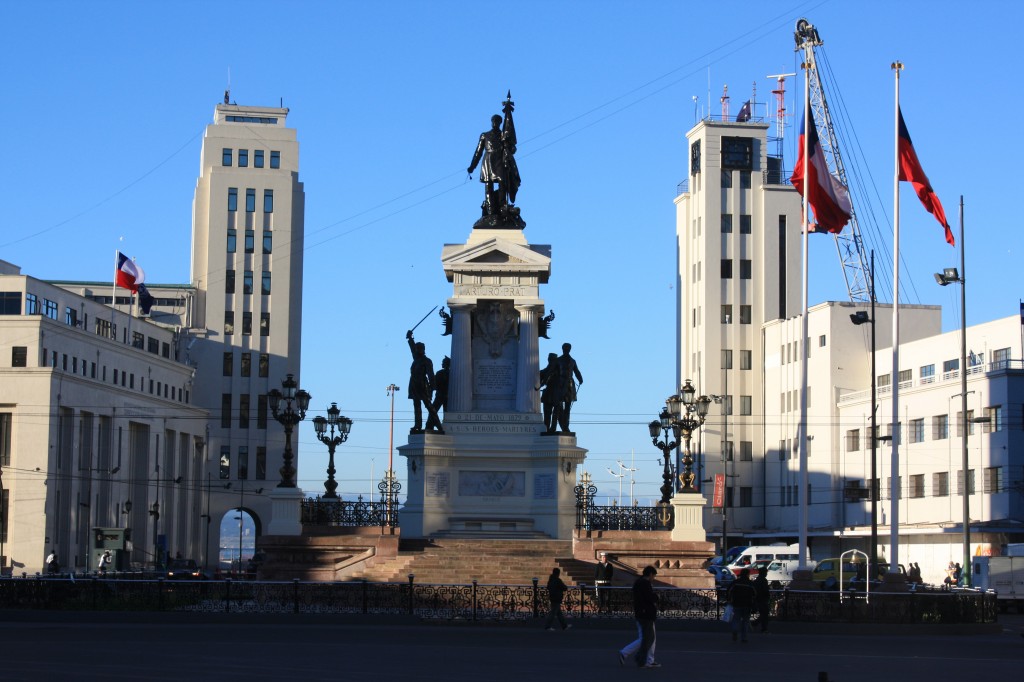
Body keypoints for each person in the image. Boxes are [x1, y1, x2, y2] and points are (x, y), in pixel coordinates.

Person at [406, 330, 441, 433]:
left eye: (418, 349)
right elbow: (412, 349)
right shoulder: (416, 358)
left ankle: (438, 425)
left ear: (422, 350)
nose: (416, 350)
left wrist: (432, 388)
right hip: (414, 384)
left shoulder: (427, 361)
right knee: (416, 405)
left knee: (429, 406)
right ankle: (417, 425)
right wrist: (410, 338)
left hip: (423, 385)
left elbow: (431, 375)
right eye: (416, 349)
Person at [630, 565, 660, 668]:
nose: (653, 578)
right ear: (650, 574)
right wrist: (657, 597)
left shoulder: (638, 582)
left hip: (641, 613)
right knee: (648, 638)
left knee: (647, 638)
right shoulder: (645, 584)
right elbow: (649, 597)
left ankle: (642, 659)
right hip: (646, 614)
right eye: (654, 576)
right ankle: (641, 659)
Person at [556, 343, 583, 432]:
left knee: (568, 407)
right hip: (560, 384)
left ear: (569, 349)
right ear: (562, 349)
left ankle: (566, 426)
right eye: (565, 348)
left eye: (567, 348)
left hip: (569, 385)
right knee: (559, 406)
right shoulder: (558, 360)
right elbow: (553, 372)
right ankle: (561, 424)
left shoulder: (572, 361)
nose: (566, 350)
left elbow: (576, 371)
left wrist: (580, 379)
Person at [727, 568, 756, 643]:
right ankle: (744, 638)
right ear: (748, 574)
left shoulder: (736, 582)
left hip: (737, 603)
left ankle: (735, 630)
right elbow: (755, 594)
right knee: (745, 621)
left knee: (736, 619)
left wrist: (729, 600)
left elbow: (729, 591)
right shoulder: (750, 583)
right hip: (747, 604)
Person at [539, 352, 562, 434]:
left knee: (555, 413)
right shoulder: (545, 371)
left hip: (556, 394)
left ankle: (552, 428)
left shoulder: (558, 370)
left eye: (552, 359)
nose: (551, 360)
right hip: (549, 394)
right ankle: (547, 428)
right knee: (547, 413)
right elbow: (543, 376)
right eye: (550, 359)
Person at [431, 356, 450, 425]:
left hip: (440, 396)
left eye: (443, 362)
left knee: (433, 411)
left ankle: (432, 425)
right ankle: (442, 425)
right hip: (447, 396)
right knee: (446, 413)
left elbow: (435, 385)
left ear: (446, 364)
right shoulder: (453, 373)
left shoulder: (439, 373)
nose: (442, 364)